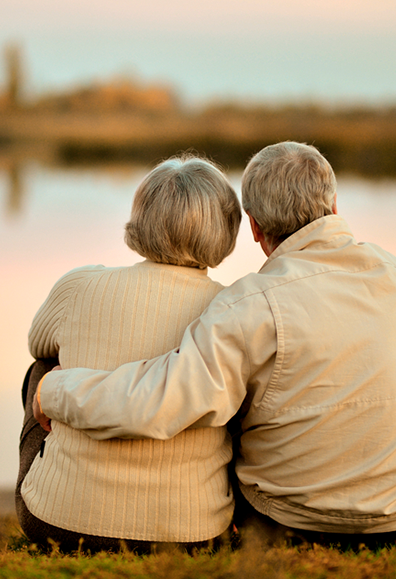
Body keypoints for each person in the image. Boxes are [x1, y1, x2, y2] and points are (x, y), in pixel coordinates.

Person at [34, 141, 396, 548]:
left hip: (289, 522)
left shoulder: (249, 305)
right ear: (335, 205)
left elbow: (162, 400)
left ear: (252, 226)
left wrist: (53, 388)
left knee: (233, 387)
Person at [16, 155, 244, 552]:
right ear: (226, 228)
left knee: (44, 368)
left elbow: (38, 343)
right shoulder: (233, 309)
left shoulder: (80, 286)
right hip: (193, 532)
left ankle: (61, 482)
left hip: (59, 523)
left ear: (140, 218)